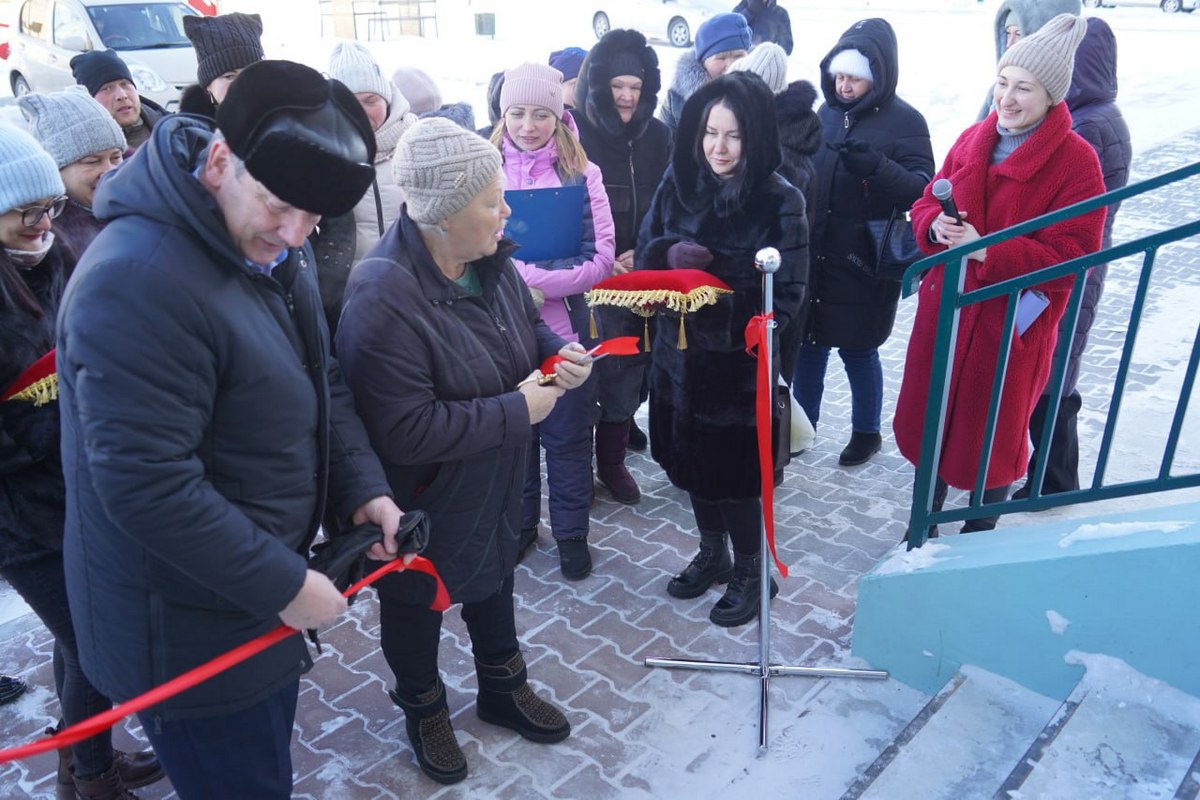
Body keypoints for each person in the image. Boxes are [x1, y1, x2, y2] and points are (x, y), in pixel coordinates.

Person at [56, 61, 405, 799]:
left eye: (313, 220)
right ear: (219, 160)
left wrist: (362, 489)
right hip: (183, 633)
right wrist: (284, 584)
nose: (294, 234)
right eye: (281, 207)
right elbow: (147, 486)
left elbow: (321, 377)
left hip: (243, 598)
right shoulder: (138, 279)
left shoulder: (271, 238)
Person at [336, 117, 588, 785]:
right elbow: (403, 430)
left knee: (496, 575)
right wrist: (517, 410)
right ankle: (423, 710)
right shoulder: (381, 295)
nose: (507, 211)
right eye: (490, 200)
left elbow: (525, 321)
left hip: (498, 475)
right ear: (443, 216)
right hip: (423, 498)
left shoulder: (487, 258)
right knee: (417, 606)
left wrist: (554, 352)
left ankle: (502, 689)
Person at [0, 124, 163, 800]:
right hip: (23, 518)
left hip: (80, 492)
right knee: (95, 640)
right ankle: (89, 777)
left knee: (85, 642)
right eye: (24, 213)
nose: (43, 224)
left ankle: (87, 765)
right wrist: (66, 423)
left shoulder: (56, 256)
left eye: (50, 209)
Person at [895, 14, 1106, 536]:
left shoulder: (1077, 163)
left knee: (990, 434)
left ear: (1052, 95)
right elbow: (927, 200)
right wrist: (935, 227)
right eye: (1003, 83)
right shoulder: (973, 138)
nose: (1007, 99)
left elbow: (1074, 254)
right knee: (935, 420)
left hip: (1009, 322)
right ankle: (922, 523)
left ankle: (978, 533)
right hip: (948, 311)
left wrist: (988, 253)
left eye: (1024, 89)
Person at [638, 71, 808, 627]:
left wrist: (754, 326)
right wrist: (668, 255)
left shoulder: (781, 200)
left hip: (736, 371)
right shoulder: (678, 180)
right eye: (710, 132)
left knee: (735, 480)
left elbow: (791, 292)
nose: (718, 147)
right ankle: (712, 554)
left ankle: (753, 570)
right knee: (688, 467)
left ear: (755, 136)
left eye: (732, 136)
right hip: (675, 359)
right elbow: (645, 249)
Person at [490, 62, 616, 579]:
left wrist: (539, 283)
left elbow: (601, 257)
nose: (528, 125)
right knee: (516, 441)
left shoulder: (581, 174)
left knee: (566, 441)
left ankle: (570, 534)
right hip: (500, 337)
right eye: (517, 113)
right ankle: (521, 526)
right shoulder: (484, 169)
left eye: (541, 114)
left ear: (559, 116)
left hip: (566, 335)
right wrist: (514, 280)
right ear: (503, 115)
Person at [793, 19, 935, 467]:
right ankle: (801, 429)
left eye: (854, 77)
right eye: (839, 75)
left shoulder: (906, 122)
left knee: (859, 349)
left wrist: (877, 166)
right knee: (810, 347)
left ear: (877, 75)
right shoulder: (826, 113)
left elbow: (923, 189)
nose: (844, 85)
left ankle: (866, 432)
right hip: (818, 254)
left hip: (865, 259)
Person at [1014, 16, 1131, 499]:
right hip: (1074, 264)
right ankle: (1053, 476)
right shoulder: (1097, 113)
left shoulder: (1090, 123)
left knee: (1051, 371)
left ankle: (1055, 480)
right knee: (1054, 367)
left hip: (1068, 268)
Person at [572, 28, 671, 506]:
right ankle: (577, 468)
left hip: (640, 278)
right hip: (590, 278)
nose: (627, 96)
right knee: (588, 372)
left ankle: (611, 462)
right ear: (600, 85)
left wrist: (647, 251)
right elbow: (566, 207)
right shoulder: (575, 133)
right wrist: (601, 255)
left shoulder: (660, 136)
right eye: (618, 86)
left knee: (630, 372)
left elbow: (674, 205)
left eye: (635, 86)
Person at [728, 43, 821, 391]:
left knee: (760, 404)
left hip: (766, 300)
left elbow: (777, 240)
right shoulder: (741, 142)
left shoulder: (785, 160)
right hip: (746, 299)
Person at [317, 41, 418, 337]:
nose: (361, 112)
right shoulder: (320, 154)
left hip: (418, 296)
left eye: (370, 99)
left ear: (387, 98)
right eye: (348, 101)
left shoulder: (417, 144)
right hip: (348, 302)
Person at [18, 87, 127, 263]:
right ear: (55, 170)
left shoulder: (145, 204)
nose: (109, 171)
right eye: (92, 161)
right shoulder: (47, 240)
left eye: (115, 157)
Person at [978, 0, 1081, 121]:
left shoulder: (1071, 97)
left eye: (1018, 34)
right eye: (1007, 33)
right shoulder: (998, 91)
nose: (1008, 43)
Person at [659, 12, 751, 135]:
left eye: (738, 56)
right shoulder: (676, 100)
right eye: (721, 58)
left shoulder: (763, 94)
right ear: (703, 62)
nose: (731, 65)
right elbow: (663, 146)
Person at [68, 50, 166, 153]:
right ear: (90, 101)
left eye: (125, 84)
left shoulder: (170, 131)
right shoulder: (84, 149)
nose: (122, 96)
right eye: (106, 89)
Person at [179, 12, 266, 118]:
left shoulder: (280, 121)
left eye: (250, 73)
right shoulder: (190, 132)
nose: (243, 84)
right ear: (208, 87)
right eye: (229, 76)